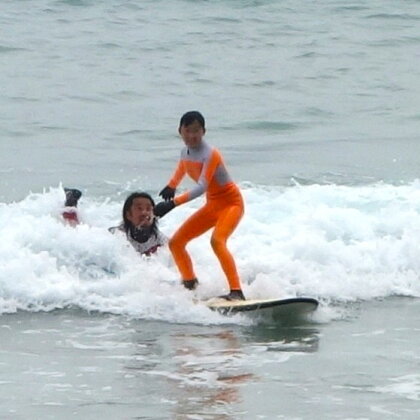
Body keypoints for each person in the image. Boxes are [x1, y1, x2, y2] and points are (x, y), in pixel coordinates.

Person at [154, 111, 246, 300]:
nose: (192, 136)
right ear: (180, 131)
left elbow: (202, 186)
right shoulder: (184, 152)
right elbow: (182, 168)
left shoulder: (210, 154)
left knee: (217, 241)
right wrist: (172, 185)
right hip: (213, 205)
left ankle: (237, 292)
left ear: (204, 131)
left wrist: (173, 203)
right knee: (176, 243)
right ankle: (190, 285)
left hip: (231, 204)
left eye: (196, 131)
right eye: (187, 131)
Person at [109, 191, 166, 256]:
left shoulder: (160, 240)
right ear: (128, 215)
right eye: (139, 208)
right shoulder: (117, 235)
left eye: (148, 209)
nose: (144, 213)